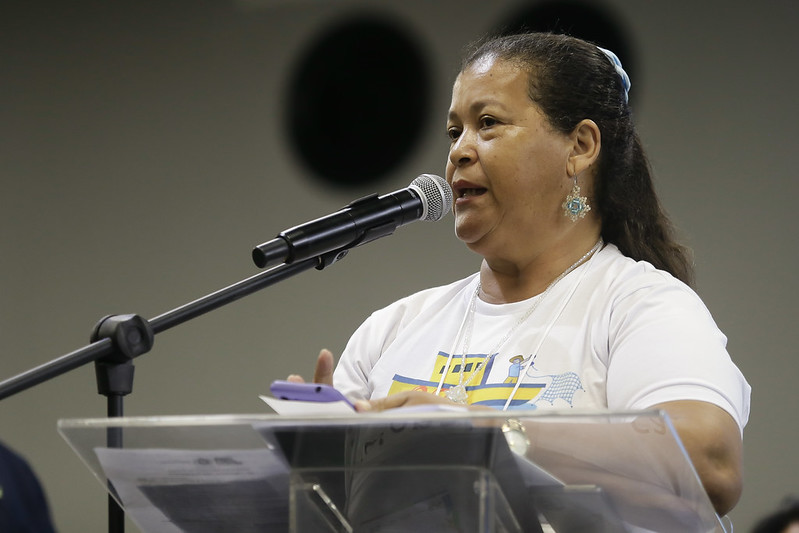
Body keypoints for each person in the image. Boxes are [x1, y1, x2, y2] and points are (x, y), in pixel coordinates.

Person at [288, 32, 750, 518]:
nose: (459, 153)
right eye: (454, 132)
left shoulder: (640, 305)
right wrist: (320, 473)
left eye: (487, 124)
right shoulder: (393, 330)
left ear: (580, 145)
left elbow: (710, 464)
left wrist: (482, 433)